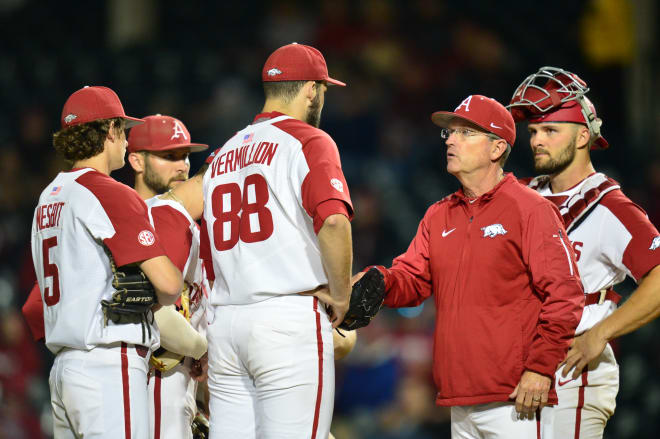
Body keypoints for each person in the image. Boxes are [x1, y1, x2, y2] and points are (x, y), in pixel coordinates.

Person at [356, 95, 585, 438]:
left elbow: (566, 294)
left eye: (465, 133)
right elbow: (413, 280)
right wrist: (380, 283)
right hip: (459, 398)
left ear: (496, 149)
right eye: (449, 133)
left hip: (516, 397)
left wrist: (540, 368)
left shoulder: (530, 209)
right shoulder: (438, 214)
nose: (450, 140)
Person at [199, 42, 354, 439]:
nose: (323, 97)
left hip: (227, 324)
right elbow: (334, 221)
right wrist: (341, 295)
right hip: (287, 318)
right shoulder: (309, 140)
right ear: (310, 90)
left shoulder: (223, 153)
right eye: (323, 89)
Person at [508, 66, 660, 438]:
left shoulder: (611, 207)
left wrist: (601, 334)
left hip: (574, 373)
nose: (537, 141)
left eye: (550, 130)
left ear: (582, 137)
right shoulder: (520, 194)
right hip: (517, 369)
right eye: (533, 132)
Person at [31, 86, 183, 438]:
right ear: (109, 130)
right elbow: (169, 284)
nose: (127, 140)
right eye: (123, 130)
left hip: (63, 369)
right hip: (107, 363)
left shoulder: (47, 197)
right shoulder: (109, 191)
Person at [126, 114, 211, 439]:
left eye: (186, 156)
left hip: (182, 382)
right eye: (169, 156)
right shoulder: (133, 216)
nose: (182, 166)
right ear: (135, 159)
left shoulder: (190, 223)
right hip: (154, 378)